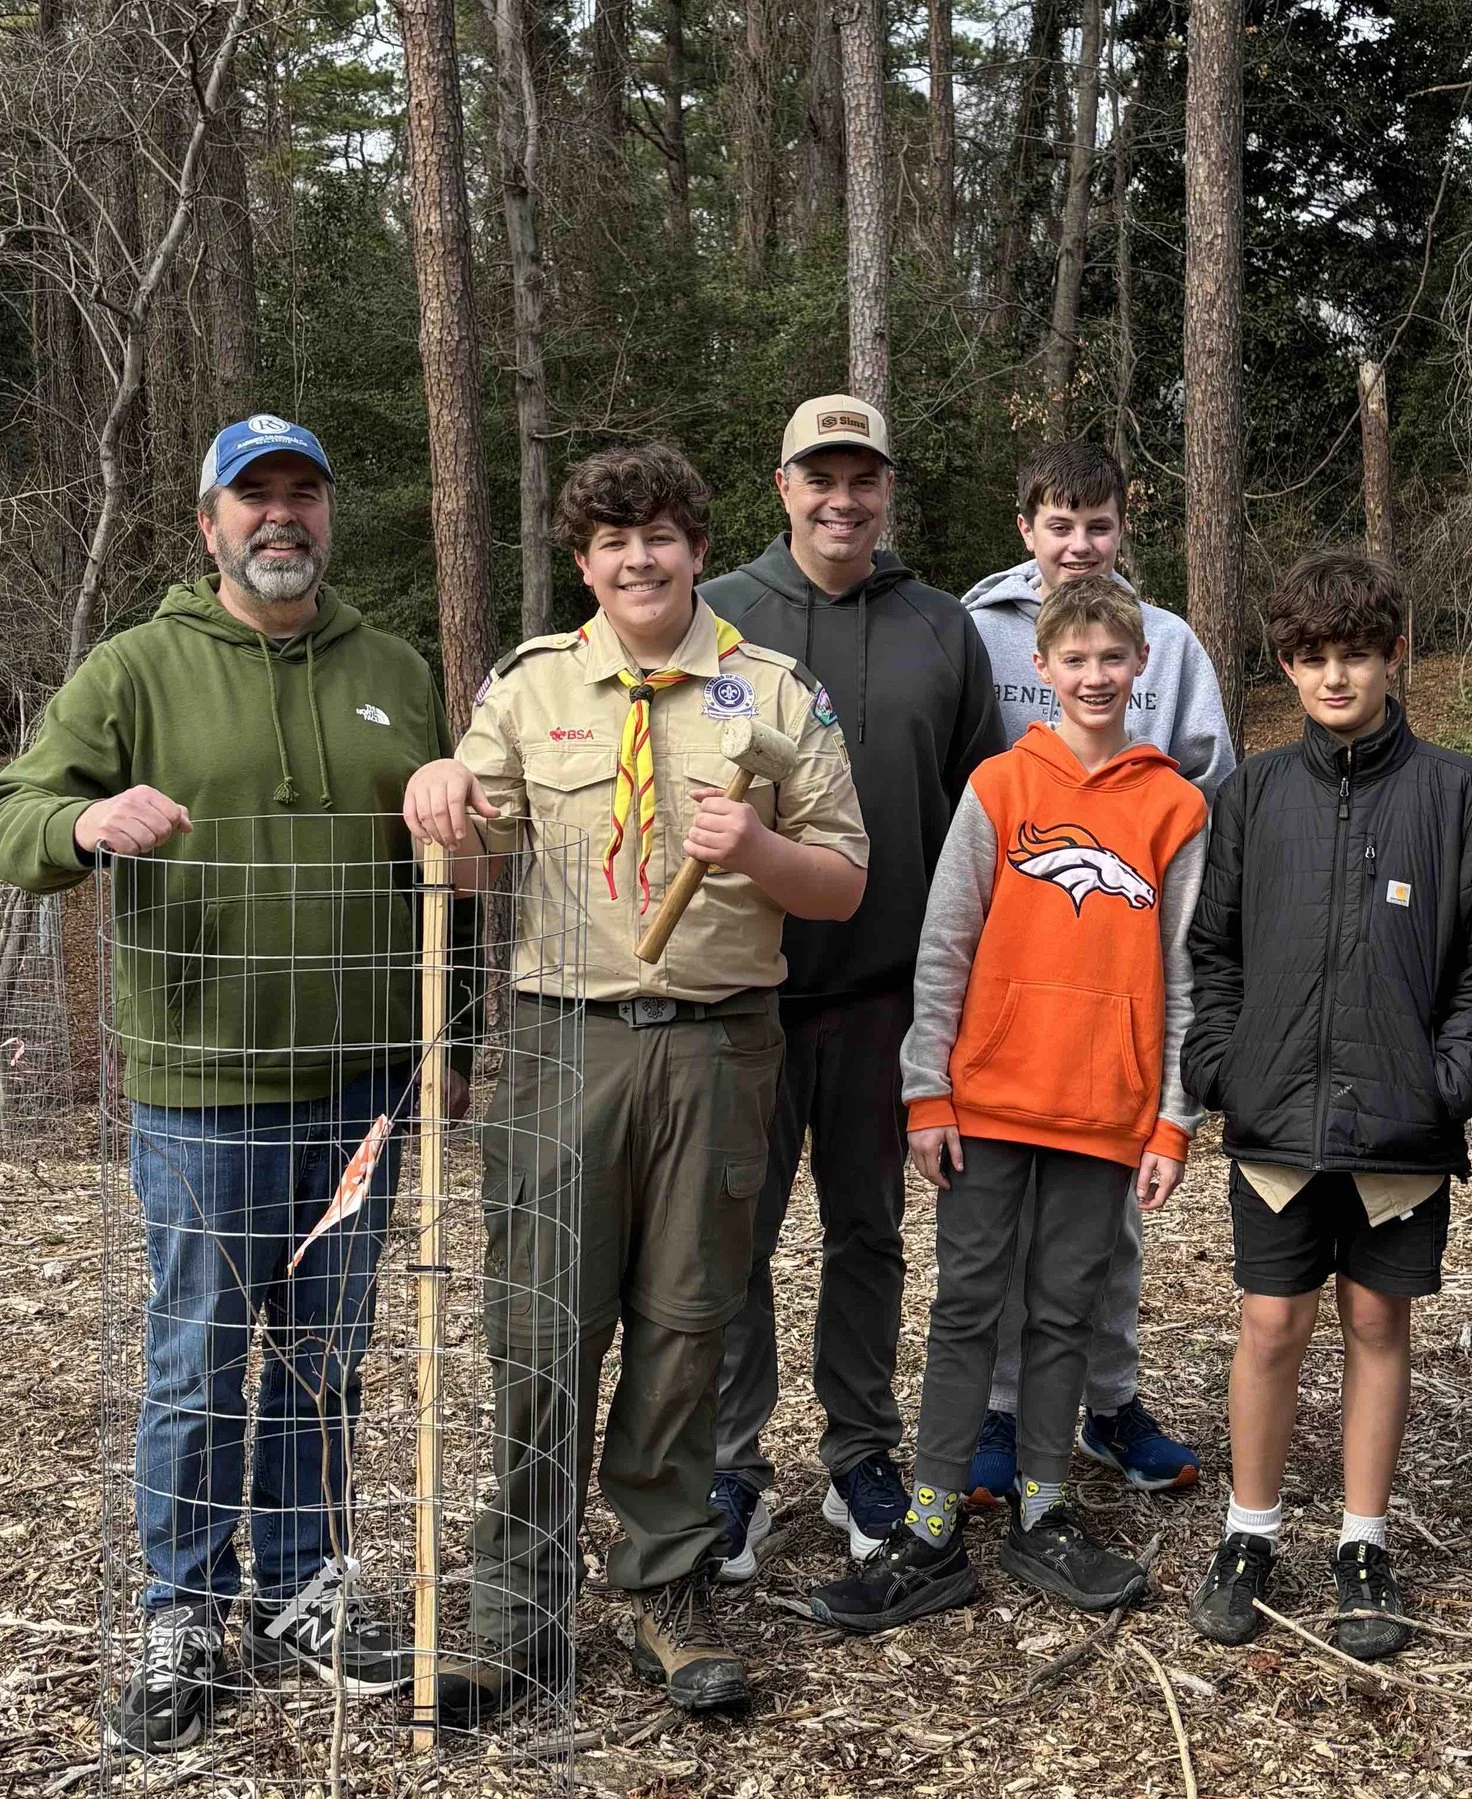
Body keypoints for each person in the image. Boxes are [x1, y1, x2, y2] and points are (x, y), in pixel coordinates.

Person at [0, 415, 456, 1750]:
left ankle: (304, 1583)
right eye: (254, 498)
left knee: (323, 1354)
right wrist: (84, 822)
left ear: (326, 513)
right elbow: (7, 814)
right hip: (202, 1087)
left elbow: (444, 858)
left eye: (302, 492)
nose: (281, 517)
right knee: (199, 1358)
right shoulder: (136, 668)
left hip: (363, 1085)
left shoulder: (397, 669)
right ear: (209, 525)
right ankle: (183, 1605)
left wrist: (451, 1034)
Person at [401, 443, 869, 1716]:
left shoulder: (774, 694)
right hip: (562, 1047)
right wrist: (443, 791)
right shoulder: (530, 688)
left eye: (660, 535)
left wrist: (761, 844)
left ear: (697, 548)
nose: (639, 558)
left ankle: (665, 1583)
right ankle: (515, 1599)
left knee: (685, 1321)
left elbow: (844, 881)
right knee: (543, 1323)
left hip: (720, 1044)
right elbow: (474, 865)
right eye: (613, 543)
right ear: (584, 563)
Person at [806, 573, 1207, 1633]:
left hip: (1105, 1104)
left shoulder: (1174, 804)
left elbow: (1184, 973)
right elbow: (944, 944)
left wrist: (1172, 1114)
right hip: (987, 1099)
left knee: (1066, 1305)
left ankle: (1043, 1509)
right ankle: (931, 1523)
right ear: (1042, 668)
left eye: (1110, 659)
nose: (1092, 676)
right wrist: (927, 1089)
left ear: (1140, 668)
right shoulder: (997, 787)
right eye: (1072, 660)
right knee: (967, 1304)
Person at [1180, 550, 1472, 1660]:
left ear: (1394, 655)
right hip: (1276, 1122)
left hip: (1399, 1131)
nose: (1336, 677)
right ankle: (1248, 1529)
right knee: (1270, 1321)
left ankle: (1363, 1539)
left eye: (1357, 655)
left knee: (1377, 1320)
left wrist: (1448, 1084)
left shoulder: (1456, 792)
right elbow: (1213, 953)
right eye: (1313, 658)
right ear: (1285, 665)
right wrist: (1223, 1065)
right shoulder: (1251, 795)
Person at [700, 396, 1007, 1573]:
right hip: (743, 991)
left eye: (862, 477)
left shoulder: (941, 627)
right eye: (819, 476)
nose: (842, 499)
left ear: (886, 490)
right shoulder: (718, 616)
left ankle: (859, 1449)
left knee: (868, 1232)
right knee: (733, 1238)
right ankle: (730, 1463)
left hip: (887, 989)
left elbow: (984, 813)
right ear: (782, 486)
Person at [956, 440, 1236, 1505]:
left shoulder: (1164, 642)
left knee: (1103, 1216)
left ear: (1124, 528)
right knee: (997, 1227)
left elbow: (1204, 789)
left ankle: (1108, 1402)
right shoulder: (974, 632)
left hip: (1117, 962)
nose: (1080, 543)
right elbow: (958, 780)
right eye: (1059, 522)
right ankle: (995, 1413)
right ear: (1025, 526)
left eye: (1100, 523)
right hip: (1008, 964)